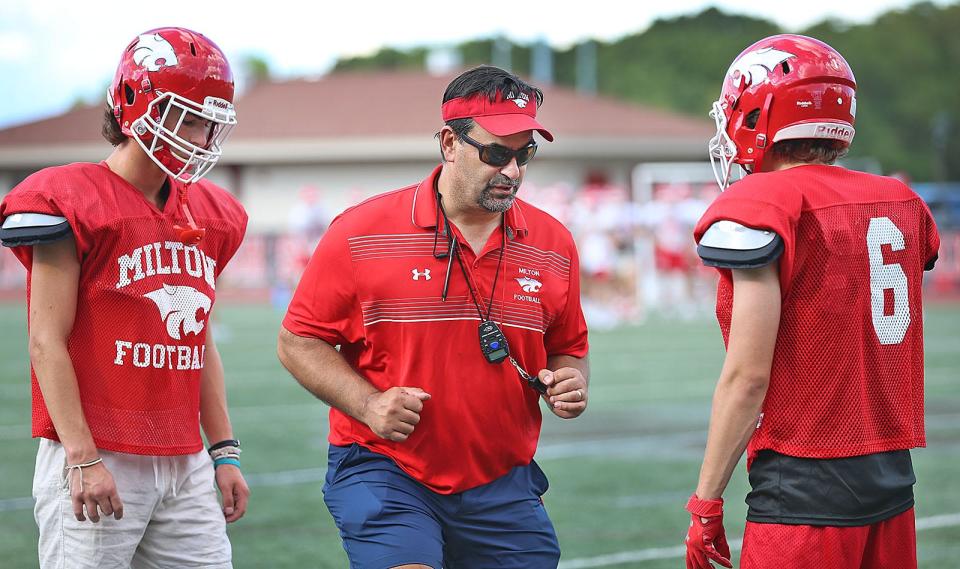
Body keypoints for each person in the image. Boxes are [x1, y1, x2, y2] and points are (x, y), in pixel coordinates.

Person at [277, 65, 589, 568]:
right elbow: (298, 341)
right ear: (449, 143)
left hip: (502, 478)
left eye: (524, 154)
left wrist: (571, 381)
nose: (512, 171)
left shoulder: (555, 242)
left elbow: (569, 345)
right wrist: (369, 402)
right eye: (496, 153)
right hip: (385, 466)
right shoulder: (360, 231)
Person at [683, 34, 940, 569]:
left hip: (805, 480)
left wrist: (706, 501)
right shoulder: (899, 198)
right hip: (892, 477)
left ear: (759, 112)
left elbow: (748, 377)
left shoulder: (760, 201)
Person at [0, 27, 250, 568]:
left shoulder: (211, 212)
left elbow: (198, 338)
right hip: (99, 448)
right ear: (134, 103)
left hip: (183, 457)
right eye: (186, 116)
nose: (200, 135)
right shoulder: (69, 197)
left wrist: (224, 450)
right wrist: (82, 457)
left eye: (209, 120)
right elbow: (46, 340)